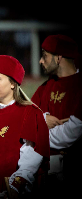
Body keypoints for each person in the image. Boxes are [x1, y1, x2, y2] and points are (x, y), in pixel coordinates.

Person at [0, 55, 50, 198]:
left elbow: (30, 163)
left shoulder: (30, 114)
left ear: (12, 83)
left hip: (9, 192)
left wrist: (12, 189)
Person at [31, 34, 82, 198]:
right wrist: (42, 119)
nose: (41, 61)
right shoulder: (45, 87)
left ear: (59, 58)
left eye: (45, 56)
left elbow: (72, 133)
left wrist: (38, 135)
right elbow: (26, 118)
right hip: (45, 175)